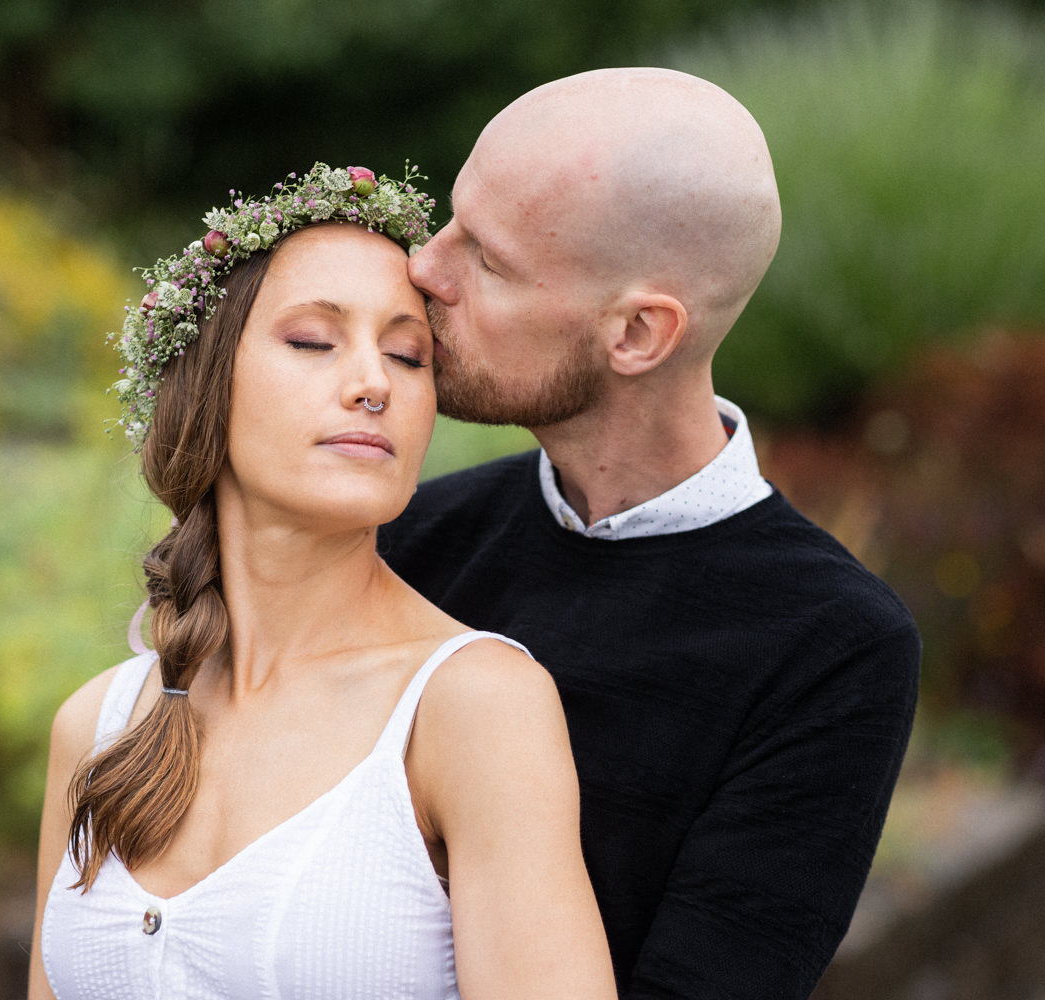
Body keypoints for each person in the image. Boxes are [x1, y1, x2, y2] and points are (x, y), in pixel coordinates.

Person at [380, 69, 922, 999]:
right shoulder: (413, 534)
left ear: (637, 332)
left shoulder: (830, 646)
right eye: (449, 220)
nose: (424, 268)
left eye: (488, 260)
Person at [29, 164, 615, 1000]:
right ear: (204, 386)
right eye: (313, 341)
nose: (373, 383)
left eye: (409, 356)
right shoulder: (97, 727)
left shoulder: (474, 707)